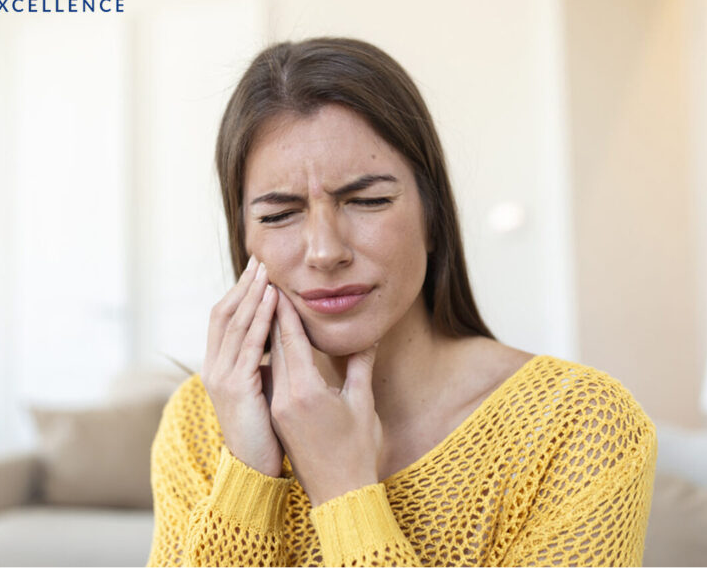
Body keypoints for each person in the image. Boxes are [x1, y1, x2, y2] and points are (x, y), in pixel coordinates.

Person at [148, 37, 657, 567]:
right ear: (245, 240)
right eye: (279, 214)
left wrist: (345, 492)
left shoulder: (580, 426)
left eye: (367, 201)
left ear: (433, 219)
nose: (325, 251)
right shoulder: (200, 424)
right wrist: (248, 477)